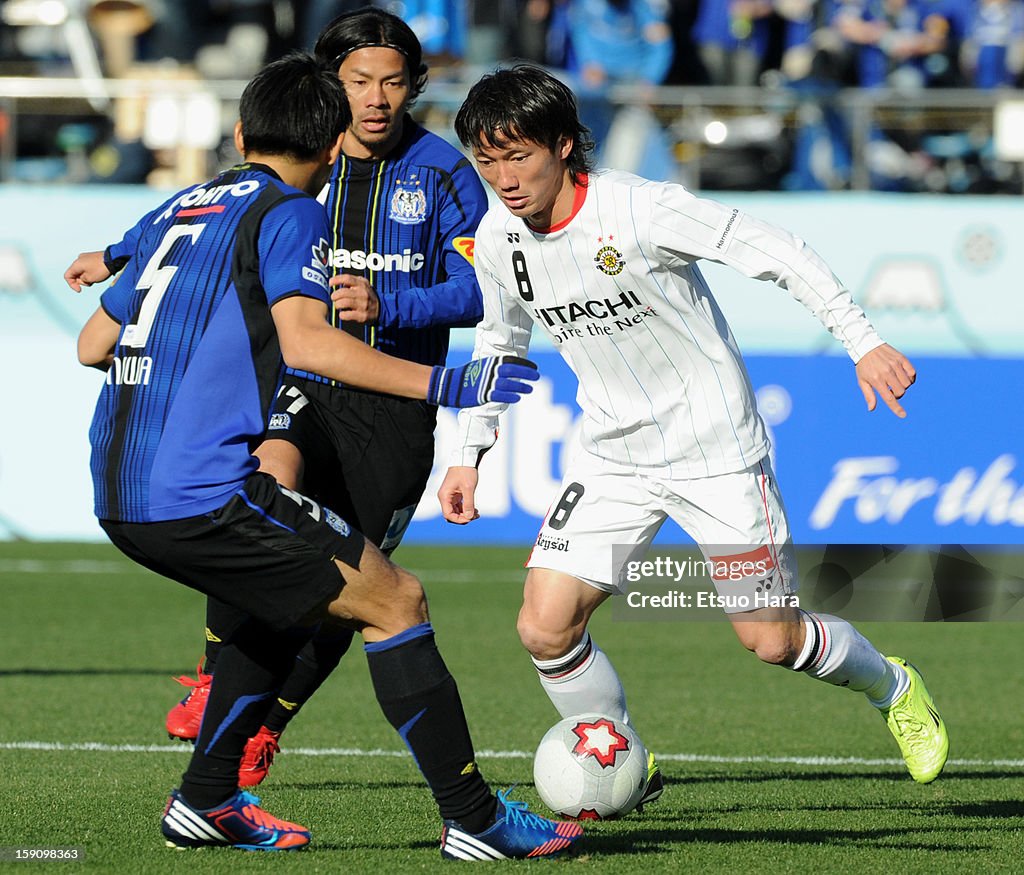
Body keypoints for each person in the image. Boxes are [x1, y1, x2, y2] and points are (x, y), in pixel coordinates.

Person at [65, 53, 582, 860]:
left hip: (118, 491)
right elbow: (312, 342)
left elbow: (93, 344)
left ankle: (205, 801)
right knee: (396, 600)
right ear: (333, 145)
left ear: (241, 132)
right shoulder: (291, 211)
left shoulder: (182, 206)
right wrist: (445, 382)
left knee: (289, 601)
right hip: (200, 491)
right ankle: (475, 819)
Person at [439, 64, 949, 795]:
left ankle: (893, 685)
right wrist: (468, 453)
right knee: (544, 626)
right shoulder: (495, 237)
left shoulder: (640, 210)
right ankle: (622, 764)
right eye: (486, 161)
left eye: (517, 155)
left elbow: (778, 251)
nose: (504, 178)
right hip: (613, 456)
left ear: (561, 146)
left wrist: (861, 339)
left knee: (772, 641)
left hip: (716, 453)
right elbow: (499, 343)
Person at [80, 6, 493, 788]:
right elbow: (206, 225)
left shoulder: (441, 175)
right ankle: (214, 680)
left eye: (392, 83)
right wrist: (114, 253)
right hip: (303, 387)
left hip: (389, 412)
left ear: (412, 90)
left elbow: (484, 287)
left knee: (351, 581)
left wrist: (392, 306)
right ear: (329, 99)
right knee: (271, 490)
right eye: (358, 82)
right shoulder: (302, 181)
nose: (375, 98)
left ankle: (264, 724)